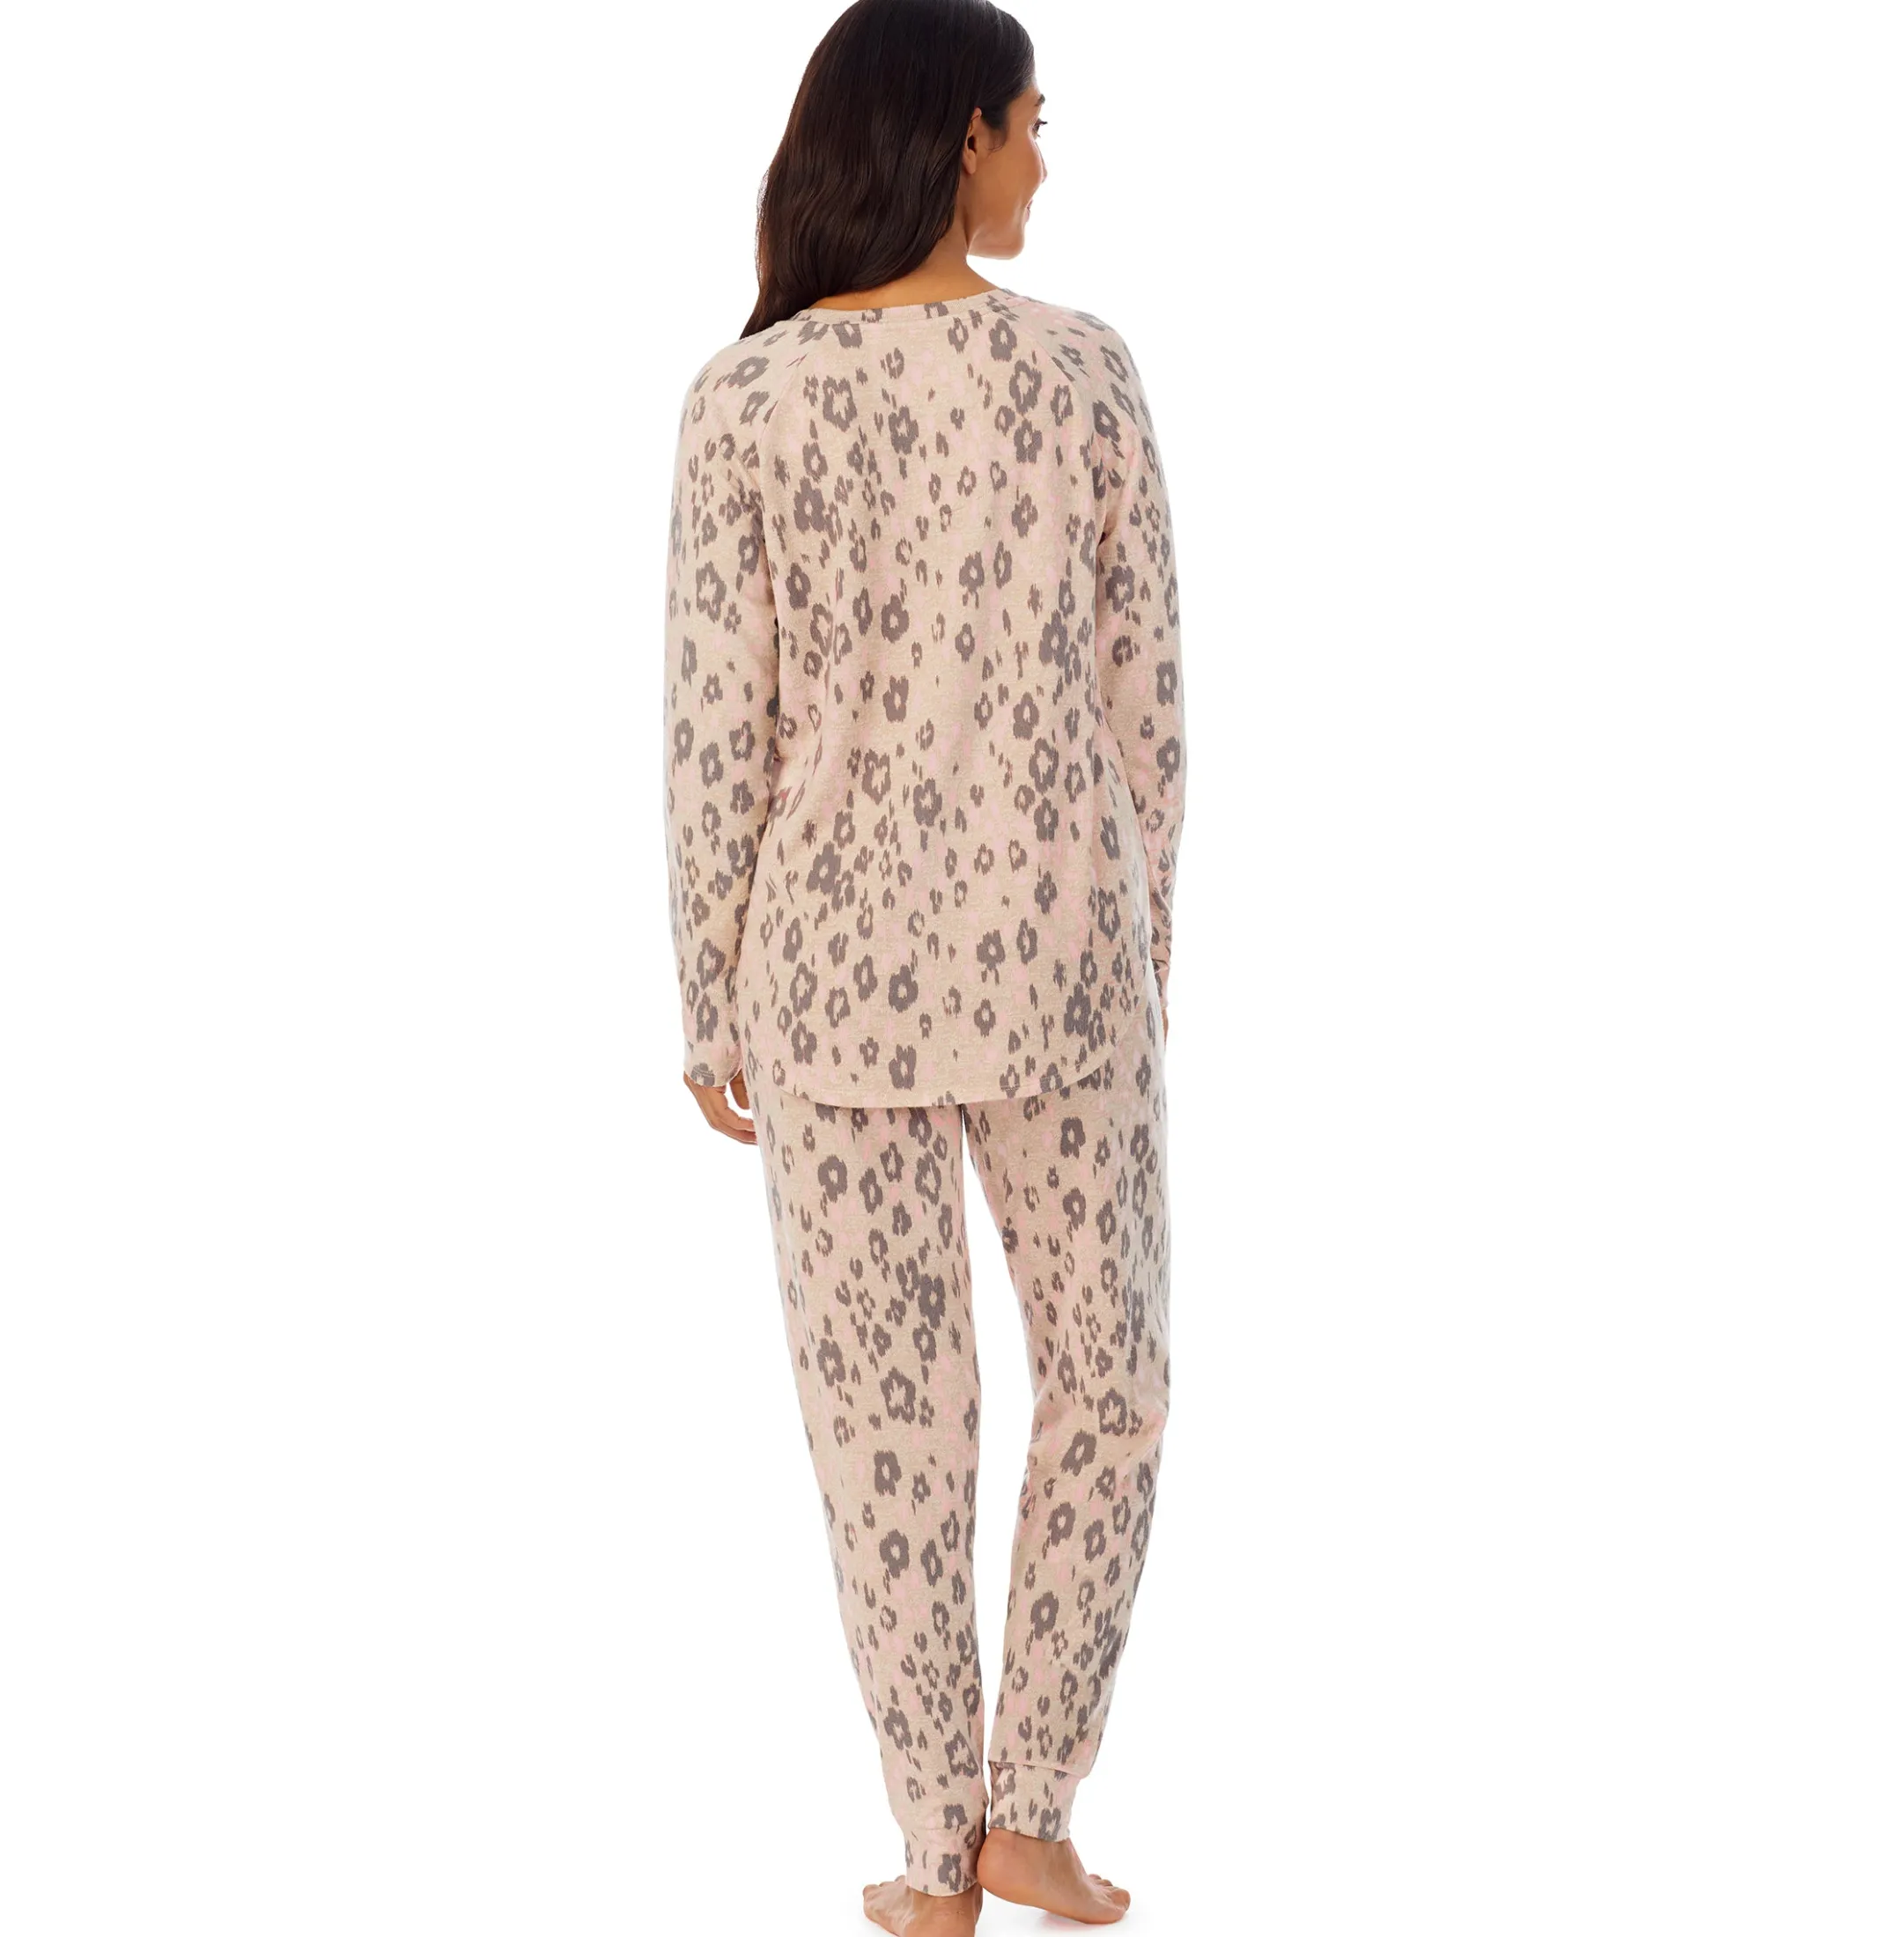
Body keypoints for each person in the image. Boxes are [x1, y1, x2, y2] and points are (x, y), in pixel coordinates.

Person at [660, 2, 1185, 1928]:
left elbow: (717, 726)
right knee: (1109, 1376)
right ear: (961, 135)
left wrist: (713, 989)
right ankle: (1015, 1809)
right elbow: (1145, 704)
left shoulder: (747, 399)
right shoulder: (1082, 373)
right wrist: (1145, 938)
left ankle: (941, 1848)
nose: (1044, 157)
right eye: (1031, 123)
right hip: (1059, 962)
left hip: (832, 979)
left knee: (888, 1430)